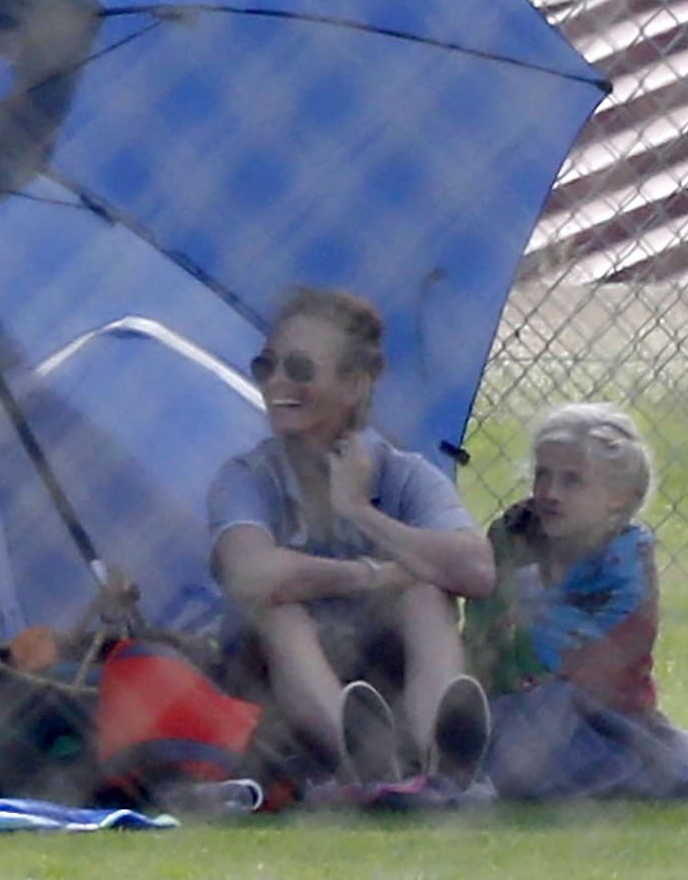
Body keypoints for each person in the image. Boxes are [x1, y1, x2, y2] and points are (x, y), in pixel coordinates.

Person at [206, 287, 495, 791]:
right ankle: (360, 754)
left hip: (386, 677)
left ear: (355, 385)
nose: (275, 383)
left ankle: (439, 768)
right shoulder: (247, 476)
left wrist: (360, 512)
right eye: (265, 366)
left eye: (298, 368)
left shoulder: (402, 474)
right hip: (271, 690)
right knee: (278, 610)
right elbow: (249, 574)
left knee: (427, 597)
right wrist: (373, 574)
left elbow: (477, 569)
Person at [463, 402, 688, 800]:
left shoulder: (626, 559)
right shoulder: (514, 534)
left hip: (595, 711)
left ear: (619, 498)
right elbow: (484, 617)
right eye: (542, 475)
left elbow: (611, 647)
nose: (549, 493)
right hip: (507, 695)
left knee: (669, 770)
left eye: (572, 481)